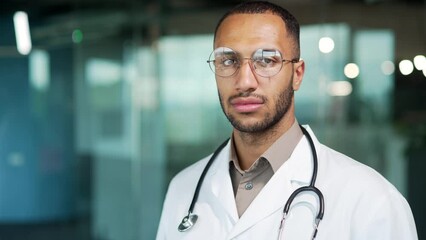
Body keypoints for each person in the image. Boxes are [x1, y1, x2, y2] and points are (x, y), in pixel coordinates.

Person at [156, 1, 418, 239]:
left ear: (297, 74)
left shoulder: (372, 202)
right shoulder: (184, 189)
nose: (245, 81)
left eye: (266, 60)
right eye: (228, 60)